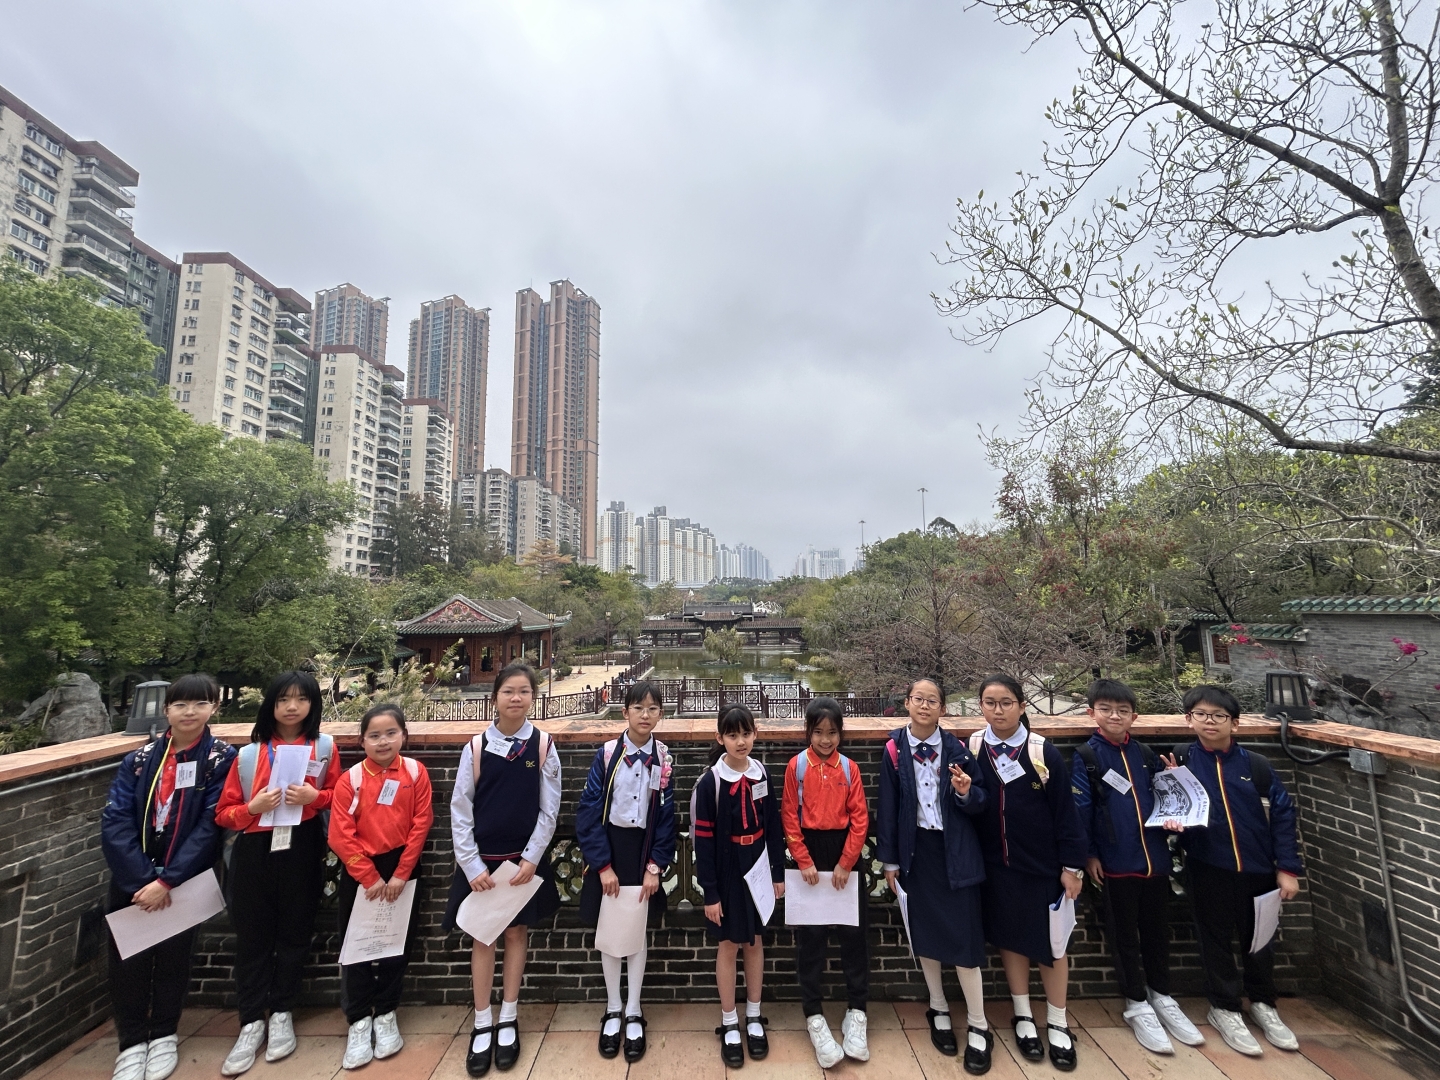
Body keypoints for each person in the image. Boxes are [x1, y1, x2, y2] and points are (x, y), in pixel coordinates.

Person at [101, 674, 236, 1080]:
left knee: (176, 958)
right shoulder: (140, 760)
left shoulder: (220, 759)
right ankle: (131, 1040)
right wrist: (143, 879)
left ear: (214, 707)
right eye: (180, 704)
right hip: (135, 880)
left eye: (200, 703)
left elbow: (211, 824)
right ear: (166, 709)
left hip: (184, 878)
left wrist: (169, 881)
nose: (190, 712)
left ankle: (163, 1033)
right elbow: (115, 819)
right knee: (128, 960)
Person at [1166, 685, 1304, 1057]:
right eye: (1200, 714)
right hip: (1207, 866)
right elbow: (1169, 809)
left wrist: (1288, 868)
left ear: (1235, 723)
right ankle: (1224, 1007)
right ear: (1189, 719)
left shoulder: (1255, 766)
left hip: (1259, 868)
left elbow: (1283, 815)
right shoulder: (1180, 760)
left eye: (1218, 716)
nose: (1209, 722)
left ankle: (1263, 1003)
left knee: (1260, 941)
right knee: (1214, 940)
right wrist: (1172, 819)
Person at [215, 671, 341, 1077]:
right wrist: (251, 808)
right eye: (284, 699)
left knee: (295, 931)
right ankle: (251, 1020)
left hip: (302, 844)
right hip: (255, 849)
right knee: (252, 937)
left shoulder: (324, 747)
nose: (292, 707)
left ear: (312, 705)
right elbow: (224, 813)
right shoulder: (249, 755)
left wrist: (314, 797)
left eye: (301, 699)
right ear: (270, 704)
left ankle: (283, 1010)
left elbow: (338, 796)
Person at [1070, 679, 1203, 1054]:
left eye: (1123, 710)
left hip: (1155, 861)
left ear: (1134, 716)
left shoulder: (1145, 754)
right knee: (1124, 935)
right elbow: (1081, 811)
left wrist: (1176, 789)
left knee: (1158, 932)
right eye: (1106, 709)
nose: (1114, 716)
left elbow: (1166, 802)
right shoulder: (1087, 756)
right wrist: (1089, 854)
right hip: (1115, 861)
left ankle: (1162, 994)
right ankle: (1136, 1001)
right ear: (1092, 713)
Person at [445, 662, 561, 1077]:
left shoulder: (543, 745)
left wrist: (532, 858)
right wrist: (470, 864)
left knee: (515, 933)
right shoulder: (476, 747)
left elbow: (549, 809)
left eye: (524, 691)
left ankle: (508, 1015)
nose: (516, 698)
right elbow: (460, 808)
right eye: (509, 691)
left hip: (521, 863)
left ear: (533, 697)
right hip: (483, 862)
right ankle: (482, 1020)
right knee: (483, 936)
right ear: (494, 697)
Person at [969, 674, 1086, 1072]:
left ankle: (1057, 1019)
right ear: (980, 706)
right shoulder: (974, 747)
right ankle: (1022, 1014)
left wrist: (1072, 867)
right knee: (1011, 940)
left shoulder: (1040, 751)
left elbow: (1066, 813)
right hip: (996, 866)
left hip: (1042, 867)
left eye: (1006, 702)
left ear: (1021, 706)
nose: (998, 710)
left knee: (1053, 945)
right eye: (989, 702)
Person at [877, 678, 994, 1075]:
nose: (924, 706)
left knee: (965, 939)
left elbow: (981, 801)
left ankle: (978, 1023)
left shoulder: (959, 749)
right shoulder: (894, 750)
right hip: (917, 853)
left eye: (932, 701)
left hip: (956, 850)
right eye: (918, 699)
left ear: (943, 708)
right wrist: (889, 862)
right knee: (924, 935)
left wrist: (965, 792)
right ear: (907, 704)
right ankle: (938, 1007)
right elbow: (888, 809)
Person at [328, 704, 434, 1069]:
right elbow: (339, 834)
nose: (383, 741)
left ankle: (386, 1012)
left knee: (396, 944)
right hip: (361, 870)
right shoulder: (352, 779)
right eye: (374, 735)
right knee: (356, 945)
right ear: (362, 741)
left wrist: (402, 872)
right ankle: (358, 1019)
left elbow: (421, 822)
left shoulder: (415, 773)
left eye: (391, 733)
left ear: (404, 735)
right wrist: (369, 876)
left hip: (403, 867)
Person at [575, 680, 677, 1062]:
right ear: (625, 712)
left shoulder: (663, 758)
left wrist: (655, 866)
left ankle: (634, 1007)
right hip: (612, 849)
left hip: (642, 852)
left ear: (661, 714)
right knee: (610, 929)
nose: (645, 715)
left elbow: (666, 816)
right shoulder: (607, 755)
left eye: (652, 709)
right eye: (638, 708)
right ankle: (613, 1006)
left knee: (636, 928)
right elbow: (588, 812)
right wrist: (602, 865)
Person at [693, 704, 786, 1068]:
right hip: (728, 867)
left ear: (755, 734)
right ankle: (730, 1019)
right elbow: (703, 841)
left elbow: (773, 825)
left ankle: (754, 1014)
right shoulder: (711, 783)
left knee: (755, 941)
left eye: (746, 733)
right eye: (732, 735)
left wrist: (777, 872)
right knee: (729, 944)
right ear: (720, 738)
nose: (741, 741)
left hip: (758, 864)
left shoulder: (762, 773)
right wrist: (710, 892)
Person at [782, 697, 871, 1068]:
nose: (825, 739)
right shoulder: (797, 766)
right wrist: (803, 860)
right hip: (810, 855)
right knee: (811, 940)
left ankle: (857, 1010)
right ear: (808, 732)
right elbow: (789, 815)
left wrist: (846, 863)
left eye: (832, 732)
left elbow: (860, 819)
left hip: (844, 855)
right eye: (818, 732)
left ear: (840, 734)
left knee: (854, 936)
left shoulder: (849, 768)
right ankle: (813, 1013)